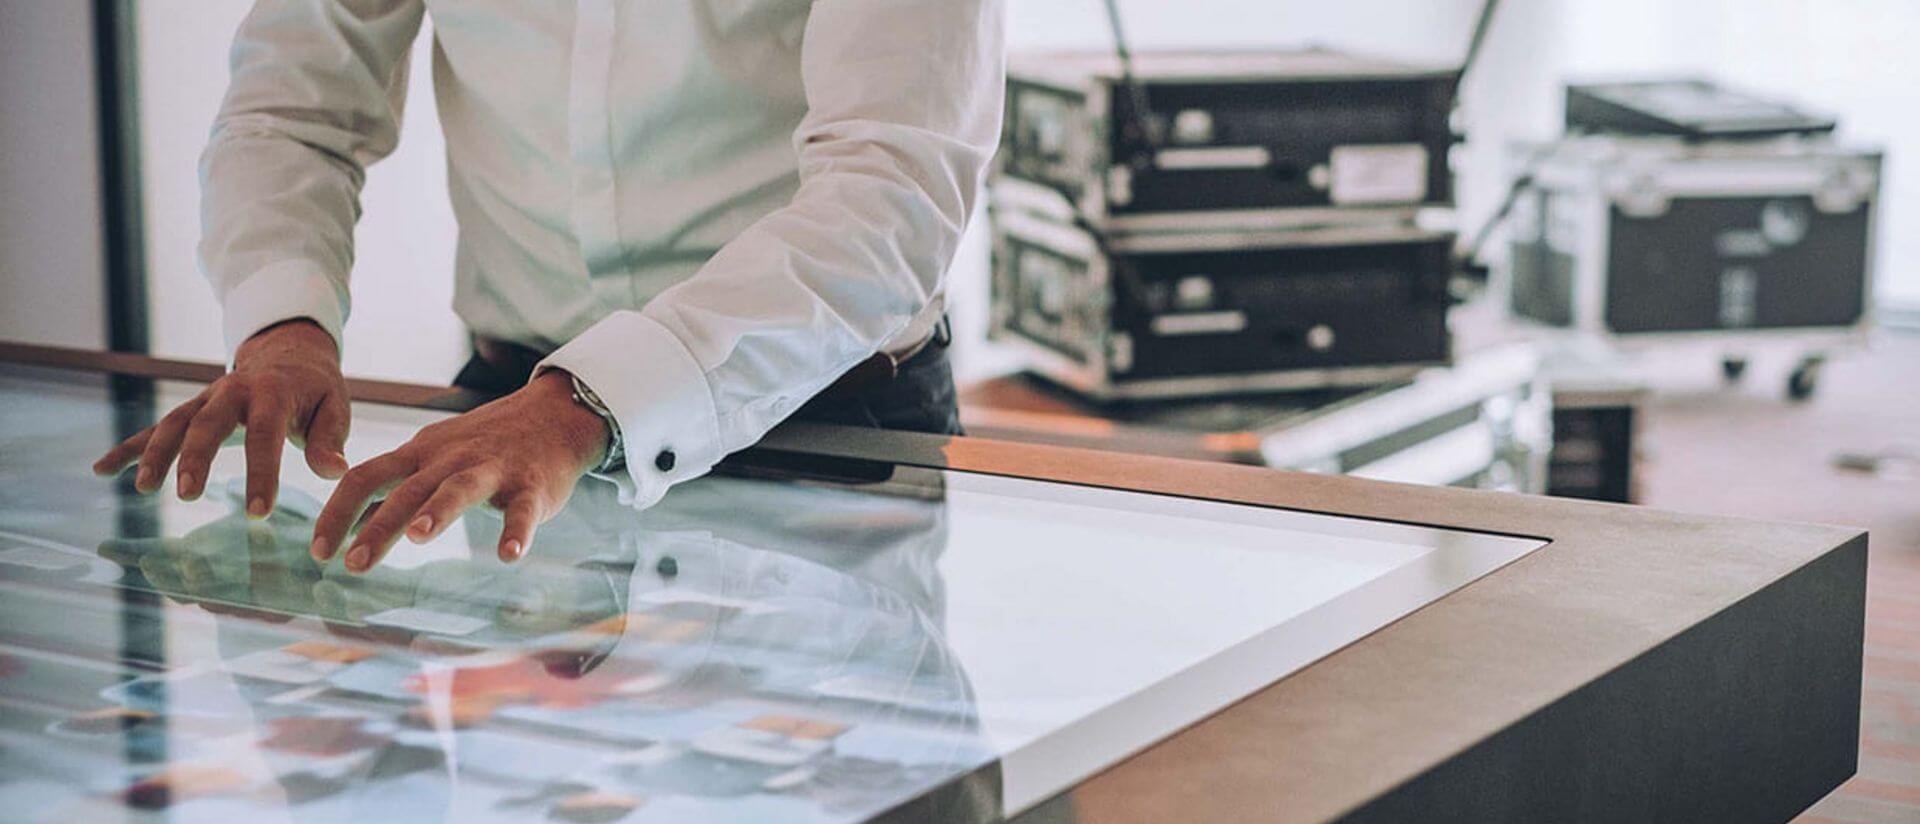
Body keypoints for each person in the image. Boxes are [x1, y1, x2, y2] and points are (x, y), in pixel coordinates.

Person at [91, 0, 1006, 574]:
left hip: (828, 422)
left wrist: (592, 400)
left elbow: (891, 198)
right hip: (504, 430)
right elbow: (291, 110)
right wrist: (282, 326)